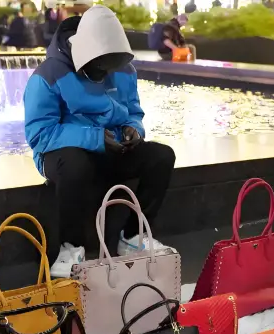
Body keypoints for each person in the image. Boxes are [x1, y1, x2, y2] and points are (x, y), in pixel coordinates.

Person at [23, 5, 176, 276]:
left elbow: (134, 111)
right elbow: (40, 135)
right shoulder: (48, 75)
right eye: (99, 66)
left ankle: (132, 237)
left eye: (109, 65)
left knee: (162, 157)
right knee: (76, 165)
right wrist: (94, 138)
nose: (105, 71)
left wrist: (133, 129)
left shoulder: (125, 69)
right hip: (60, 154)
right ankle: (71, 248)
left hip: (110, 149)